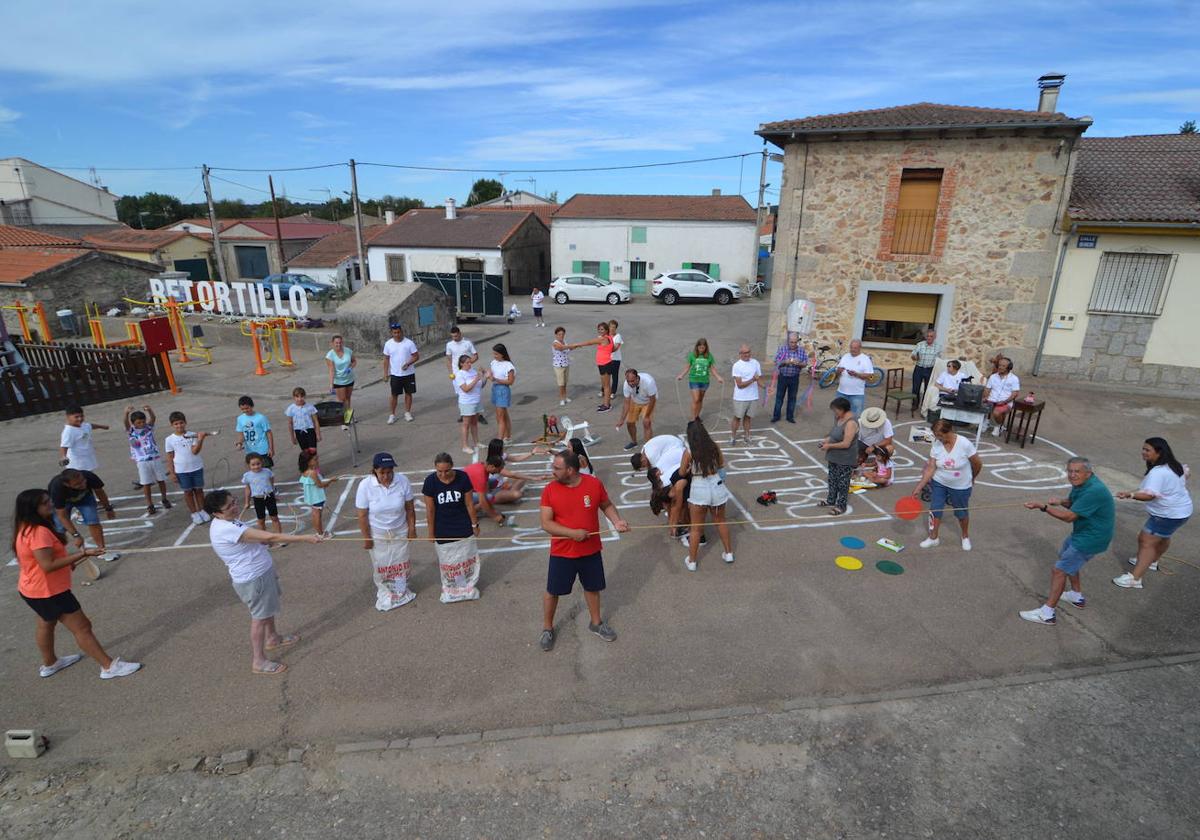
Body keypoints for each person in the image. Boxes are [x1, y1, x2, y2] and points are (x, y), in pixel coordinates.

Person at [12, 489, 141, 680]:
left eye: (49, 500)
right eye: (45, 503)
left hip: (32, 589)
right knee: (82, 627)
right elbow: (47, 566)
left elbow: (43, 561)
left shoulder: (24, 527)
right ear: (33, 508)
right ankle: (108, 666)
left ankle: (50, 663)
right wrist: (83, 553)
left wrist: (73, 561)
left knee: (46, 624)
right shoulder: (39, 533)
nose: (50, 504)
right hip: (50, 592)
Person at [205, 489, 323, 674]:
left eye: (234, 502)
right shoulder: (225, 528)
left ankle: (273, 638)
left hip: (260, 573)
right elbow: (271, 537)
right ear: (216, 513)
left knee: (267, 610)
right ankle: (258, 661)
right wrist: (305, 538)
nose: (235, 507)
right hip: (253, 578)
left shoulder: (226, 521)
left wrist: (261, 543)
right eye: (229, 506)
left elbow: (254, 540)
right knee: (259, 618)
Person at [538, 450, 629, 652]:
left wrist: (617, 521)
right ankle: (547, 628)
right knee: (553, 591)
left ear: (570, 470)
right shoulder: (550, 490)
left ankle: (596, 623)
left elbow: (606, 505)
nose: (552, 471)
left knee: (592, 587)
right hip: (562, 553)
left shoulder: (593, 484)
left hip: (591, 550)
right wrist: (572, 533)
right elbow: (546, 523)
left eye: (557, 468)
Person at [1020, 458, 1115, 625]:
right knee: (1066, 557)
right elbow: (1075, 504)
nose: (1072, 475)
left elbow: (1069, 517)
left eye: (1077, 471)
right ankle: (1076, 596)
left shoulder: (1094, 490)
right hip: (1083, 533)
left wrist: (1043, 507)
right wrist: (1061, 501)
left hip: (1092, 538)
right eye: (1070, 471)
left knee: (1059, 570)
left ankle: (1047, 613)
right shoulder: (1081, 485)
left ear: (1088, 473)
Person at [1113, 437, 1192, 589]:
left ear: (1159, 452)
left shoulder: (1158, 472)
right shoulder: (1175, 466)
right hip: (1181, 512)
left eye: (1147, 450)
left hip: (1167, 515)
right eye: (1143, 449)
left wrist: (1130, 495)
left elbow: (1150, 495)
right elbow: (1184, 477)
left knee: (1146, 541)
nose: (1143, 452)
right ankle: (1152, 561)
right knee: (1163, 537)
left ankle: (1135, 578)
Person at [356, 452, 418, 611]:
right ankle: (386, 592)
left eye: (389, 471)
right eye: (382, 472)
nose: (386, 476)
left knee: (400, 564)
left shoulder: (402, 481)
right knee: (383, 566)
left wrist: (412, 529)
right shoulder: (365, 485)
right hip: (378, 534)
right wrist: (367, 538)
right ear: (374, 471)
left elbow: (410, 509)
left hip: (400, 531)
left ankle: (399, 590)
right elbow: (362, 515)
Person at [911, 418, 983, 550]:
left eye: (939, 435)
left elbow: (977, 463)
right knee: (935, 509)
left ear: (949, 431)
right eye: (936, 435)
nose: (937, 438)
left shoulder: (964, 444)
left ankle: (965, 536)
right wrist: (919, 487)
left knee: (961, 513)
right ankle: (933, 537)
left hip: (960, 486)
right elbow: (931, 468)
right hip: (940, 482)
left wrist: (972, 478)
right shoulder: (937, 444)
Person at [421, 452, 483, 603]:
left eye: (446, 470)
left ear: (452, 467)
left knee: (466, 558)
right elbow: (430, 509)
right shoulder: (430, 481)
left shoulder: (462, 477)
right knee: (448, 562)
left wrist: (474, 524)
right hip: (443, 528)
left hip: (462, 525)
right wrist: (431, 532)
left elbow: (469, 504)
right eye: (439, 471)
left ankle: (467, 587)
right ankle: (452, 589)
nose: (443, 474)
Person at [680, 420, 734, 571]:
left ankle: (692, 561)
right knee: (720, 521)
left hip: (699, 488)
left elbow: (681, 472)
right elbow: (721, 466)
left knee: (696, 528)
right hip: (716, 485)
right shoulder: (714, 446)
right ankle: (728, 553)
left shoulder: (689, 451)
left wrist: (690, 467)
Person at [48, 469, 120, 563]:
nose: (83, 485)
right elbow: (62, 516)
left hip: (85, 498)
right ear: (67, 485)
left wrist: (108, 508)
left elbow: (100, 492)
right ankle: (56, 555)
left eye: (83, 481)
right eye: (77, 484)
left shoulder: (89, 476)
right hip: (64, 502)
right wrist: (76, 535)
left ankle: (101, 550)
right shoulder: (57, 488)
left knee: (93, 521)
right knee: (59, 528)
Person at [632, 433, 691, 543]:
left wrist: (672, 522)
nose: (645, 467)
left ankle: (676, 526)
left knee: (678, 503)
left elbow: (675, 504)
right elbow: (675, 504)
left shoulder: (655, 460)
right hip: (676, 456)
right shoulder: (664, 475)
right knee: (678, 503)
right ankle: (676, 527)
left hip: (676, 447)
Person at [464, 455, 540, 526]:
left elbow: (485, 486)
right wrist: (495, 516)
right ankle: (468, 514)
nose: (499, 471)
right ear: (492, 466)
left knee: (493, 482)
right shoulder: (480, 476)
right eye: (499, 469)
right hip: (461, 495)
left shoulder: (482, 466)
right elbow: (483, 501)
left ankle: (484, 507)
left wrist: (492, 510)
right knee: (488, 498)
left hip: (466, 487)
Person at [123, 404, 172, 515]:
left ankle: (164, 498)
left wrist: (150, 410)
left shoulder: (148, 427)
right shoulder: (131, 431)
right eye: (138, 423)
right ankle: (149, 503)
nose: (141, 424)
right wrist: (126, 413)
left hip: (155, 457)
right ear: (133, 423)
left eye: (143, 421)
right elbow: (125, 423)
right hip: (142, 461)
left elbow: (153, 419)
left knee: (161, 480)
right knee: (146, 483)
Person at [164, 411, 211, 525]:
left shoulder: (192, 435)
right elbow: (170, 456)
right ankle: (194, 513)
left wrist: (200, 439)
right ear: (172, 425)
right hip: (181, 470)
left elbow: (195, 451)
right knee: (188, 492)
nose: (179, 426)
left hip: (196, 467)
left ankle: (202, 510)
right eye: (176, 424)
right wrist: (172, 472)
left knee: (199, 490)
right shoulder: (169, 439)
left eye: (181, 423)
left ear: (185, 423)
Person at [817, 397, 859, 515]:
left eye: (836, 410)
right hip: (834, 456)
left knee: (843, 483)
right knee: (832, 479)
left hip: (845, 457)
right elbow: (834, 434)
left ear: (842, 409)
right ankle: (831, 500)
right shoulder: (839, 418)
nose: (834, 413)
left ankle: (841, 506)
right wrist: (825, 440)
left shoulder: (851, 423)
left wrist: (829, 446)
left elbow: (846, 444)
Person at [568, 322, 615, 412]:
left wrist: (576, 345)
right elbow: (612, 349)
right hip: (603, 364)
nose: (600, 331)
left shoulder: (604, 339)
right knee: (605, 385)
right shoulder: (609, 338)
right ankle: (606, 403)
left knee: (606, 386)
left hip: (605, 364)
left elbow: (589, 342)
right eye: (599, 329)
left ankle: (607, 405)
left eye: (602, 329)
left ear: (606, 330)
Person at [445, 326, 487, 426]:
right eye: (452, 336)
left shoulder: (467, 343)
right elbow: (448, 359)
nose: (454, 338)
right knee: (461, 394)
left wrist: (467, 364)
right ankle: (464, 413)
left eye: (456, 336)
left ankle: (478, 414)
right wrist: (451, 372)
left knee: (475, 390)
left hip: (469, 373)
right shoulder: (449, 345)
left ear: (460, 333)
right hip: (457, 374)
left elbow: (476, 356)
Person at [677, 337, 723, 420]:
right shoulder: (692, 355)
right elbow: (687, 367)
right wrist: (681, 375)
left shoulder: (709, 356)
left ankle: (697, 416)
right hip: (694, 380)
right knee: (696, 399)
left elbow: (712, 368)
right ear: (697, 347)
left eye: (703, 347)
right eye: (700, 347)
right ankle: (693, 419)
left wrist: (718, 377)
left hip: (705, 381)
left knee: (700, 400)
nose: (701, 349)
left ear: (706, 347)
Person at [382, 323, 420, 424]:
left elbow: (416, 356)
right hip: (395, 374)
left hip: (409, 374)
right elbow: (386, 359)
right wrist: (385, 373)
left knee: (408, 393)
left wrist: (408, 363)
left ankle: (407, 413)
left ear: (401, 332)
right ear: (391, 333)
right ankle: (392, 415)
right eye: (394, 332)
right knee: (394, 395)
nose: (397, 334)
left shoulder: (409, 343)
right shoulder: (388, 344)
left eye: (398, 332)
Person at [241, 454, 282, 541]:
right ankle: (264, 539)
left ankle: (279, 538)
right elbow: (248, 489)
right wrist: (247, 502)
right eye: (253, 465)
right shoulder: (247, 476)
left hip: (269, 496)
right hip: (257, 499)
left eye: (258, 464)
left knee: (274, 517)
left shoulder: (267, 471)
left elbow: (271, 483)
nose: (256, 467)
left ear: (262, 463)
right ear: (248, 465)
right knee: (261, 520)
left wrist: (275, 493)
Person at [731, 344, 765, 445]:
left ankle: (747, 436)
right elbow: (740, 385)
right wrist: (752, 380)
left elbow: (758, 379)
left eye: (748, 352)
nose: (747, 354)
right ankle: (732, 437)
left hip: (753, 396)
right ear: (740, 354)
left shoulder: (755, 363)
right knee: (737, 417)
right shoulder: (737, 366)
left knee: (748, 417)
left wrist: (765, 387)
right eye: (744, 353)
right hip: (740, 397)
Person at [616, 368, 658, 451]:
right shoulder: (626, 385)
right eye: (629, 381)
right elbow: (626, 403)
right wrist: (622, 419)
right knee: (630, 423)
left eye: (632, 381)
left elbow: (652, 399)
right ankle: (633, 442)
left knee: (646, 423)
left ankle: (648, 447)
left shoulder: (648, 382)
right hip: (635, 401)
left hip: (648, 402)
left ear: (637, 377)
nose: (630, 383)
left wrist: (647, 416)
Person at [298, 448, 338, 536]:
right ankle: (320, 533)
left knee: (315, 514)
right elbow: (320, 485)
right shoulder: (312, 473)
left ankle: (319, 532)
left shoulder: (304, 471)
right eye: (315, 459)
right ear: (308, 462)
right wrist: (331, 481)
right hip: (317, 497)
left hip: (311, 497)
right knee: (317, 515)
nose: (317, 461)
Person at [771, 332, 808, 423]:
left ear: (797, 342)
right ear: (788, 341)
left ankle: (790, 417)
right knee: (779, 397)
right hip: (783, 377)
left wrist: (799, 363)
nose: (793, 344)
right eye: (791, 342)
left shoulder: (801, 351)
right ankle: (776, 416)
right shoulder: (782, 349)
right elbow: (776, 362)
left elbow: (805, 363)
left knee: (792, 398)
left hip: (794, 378)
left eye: (795, 342)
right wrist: (785, 362)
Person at [834, 339, 874, 418]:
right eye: (851, 347)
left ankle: (854, 430)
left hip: (856, 394)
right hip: (841, 392)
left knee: (855, 417)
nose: (852, 350)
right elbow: (837, 373)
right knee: (839, 416)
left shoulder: (865, 359)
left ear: (860, 348)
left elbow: (870, 376)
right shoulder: (845, 356)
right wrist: (838, 371)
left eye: (855, 348)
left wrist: (857, 374)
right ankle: (839, 430)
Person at [454, 353, 485, 455]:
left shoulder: (473, 371)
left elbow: (480, 386)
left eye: (470, 362)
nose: (469, 364)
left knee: (474, 423)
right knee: (466, 425)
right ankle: (465, 446)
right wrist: (476, 379)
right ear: (462, 364)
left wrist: (485, 377)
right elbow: (466, 389)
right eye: (467, 362)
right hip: (466, 402)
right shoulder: (460, 374)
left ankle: (477, 442)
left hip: (476, 400)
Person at [60, 405, 107, 471]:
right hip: (77, 463)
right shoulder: (69, 431)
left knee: (89, 474)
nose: (80, 419)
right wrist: (64, 457)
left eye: (81, 416)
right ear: (68, 417)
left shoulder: (83, 425)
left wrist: (102, 427)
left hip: (87, 457)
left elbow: (90, 426)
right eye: (76, 417)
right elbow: (64, 446)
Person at [325, 334, 357, 428]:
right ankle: (343, 420)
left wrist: (350, 368)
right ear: (332, 343)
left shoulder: (348, 351)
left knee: (348, 398)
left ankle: (349, 417)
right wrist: (331, 384)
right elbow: (331, 370)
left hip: (349, 378)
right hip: (339, 381)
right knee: (342, 400)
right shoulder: (329, 355)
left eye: (340, 342)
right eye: (336, 343)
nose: (338, 345)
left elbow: (354, 361)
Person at [984, 357, 1020, 437]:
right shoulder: (993, 376)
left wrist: (1005, 401)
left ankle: (998, 426)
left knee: (996, 413)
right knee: (979, 406)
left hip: (1005, 402)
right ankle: (985, 422)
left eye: (1003, 366)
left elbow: (1015, 393)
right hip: (991, 400)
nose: (1000, 367)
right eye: (999, 365)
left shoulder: (1014, 379)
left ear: (1009, 367)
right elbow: (987, 389)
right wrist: (985, 397)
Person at [235, 395, 274, 469]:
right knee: (253, 471)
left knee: (267, 471)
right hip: (250, 451)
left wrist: (271, 448)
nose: (245, 410)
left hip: (262, 449)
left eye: (247, 408)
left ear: (252, 406)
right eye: (242, 409)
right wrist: (239, 443)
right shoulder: (240, 419)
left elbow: (269, 433)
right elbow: (241, 434)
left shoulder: (261, 418)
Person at [488, 343, 516, 443]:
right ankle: (507, 437)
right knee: (503, 415)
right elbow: (492, 375)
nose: (494, 356)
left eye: (496, 354)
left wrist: (496, 379)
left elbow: (510, 381)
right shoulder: (493, 362)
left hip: (503, 390)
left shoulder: (509, 365)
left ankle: (500, 440)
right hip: (495, 389)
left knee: (500, 417)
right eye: (494, 354)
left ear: (502, 354)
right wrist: (487, 374)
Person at [910, 327, 942, 402]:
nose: (929, 338)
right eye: (927, 336)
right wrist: (915, 357)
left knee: (927, 389)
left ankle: (924, 405)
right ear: (925, 336)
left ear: (934, 337)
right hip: (919, 369)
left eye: (931, 336)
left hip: (930, 369)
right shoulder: (920, 345)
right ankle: (915, 403)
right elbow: (913, 355)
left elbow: (939, 360)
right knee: (915, 388)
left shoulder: (938, 347)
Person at [285, 387, 320, 452]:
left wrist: (318, 434)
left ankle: (314, 461)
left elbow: (316, 421)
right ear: (294, 397)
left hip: (310, 430)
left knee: (313, 450)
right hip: (299, 432)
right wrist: (292, 437)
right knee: (305, 452)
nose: (300, 399)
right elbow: (290, 424)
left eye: (302, 396)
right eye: (297, 397)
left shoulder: (310, 407)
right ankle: (308, 462)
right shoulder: (291, 408)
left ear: (305, 396)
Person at [552, 326, 572, 406]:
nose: (561, 336)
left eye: (563, 334)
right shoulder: (555, 343)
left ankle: (565, 397)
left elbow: (568, 349)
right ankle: (561, 398)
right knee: (561, 383)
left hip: (566, 364)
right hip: (558, 366)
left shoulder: (564, 342)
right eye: (559, 334)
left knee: (565, 382)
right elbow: (561, 348)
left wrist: (576, 346)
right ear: (556, 335)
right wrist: (572, 345)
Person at [608, 319, 623, 398]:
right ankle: (603, 390)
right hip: (606, 359)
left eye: (614, 327)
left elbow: (616, 348)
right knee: (606, 375)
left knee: (614, 376)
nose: (612, 329)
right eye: (610, 327)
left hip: (615, 359)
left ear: (616, 328)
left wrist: (606, 350)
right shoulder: (606, 336)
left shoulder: (618, 336)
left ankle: (613, 392)